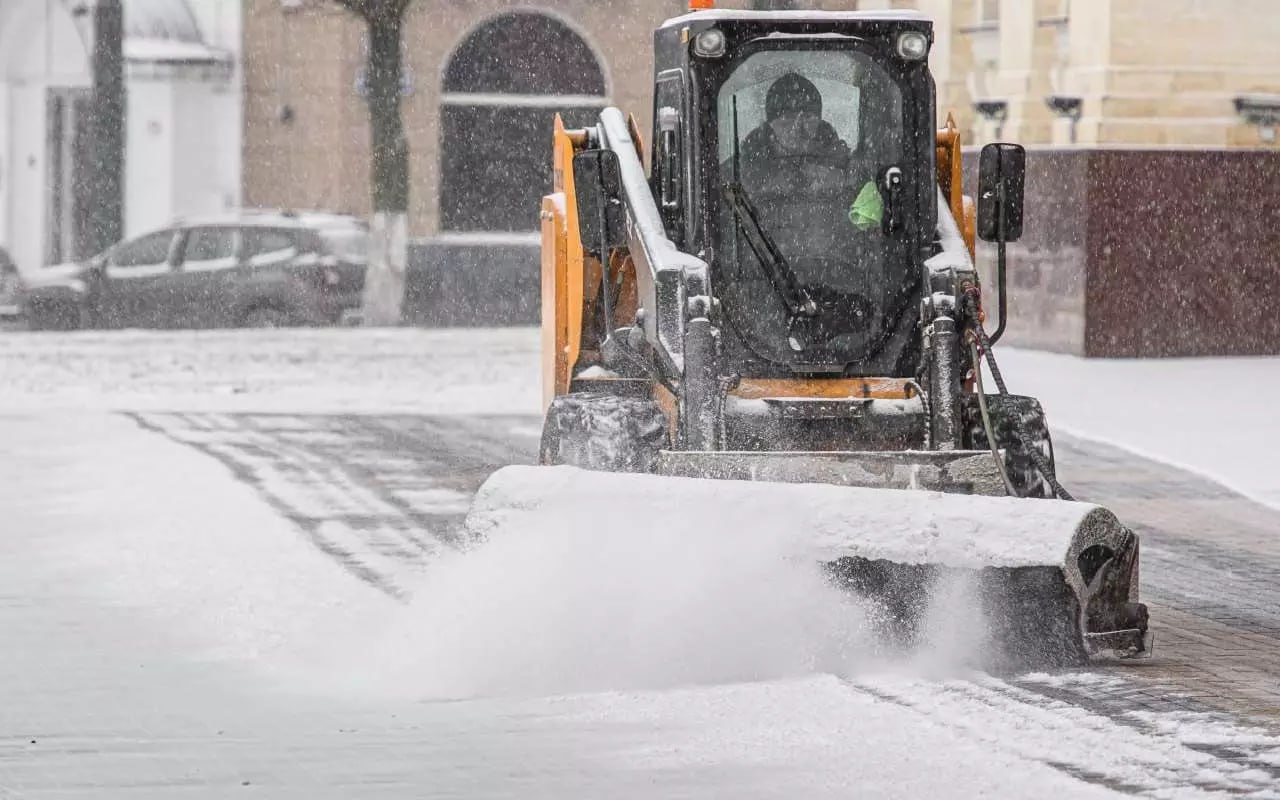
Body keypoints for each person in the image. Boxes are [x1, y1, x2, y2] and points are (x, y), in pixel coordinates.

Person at [736, 72, 883, 232]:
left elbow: (869, 221)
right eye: (788, 117)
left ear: (819, 120)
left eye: (807, 116)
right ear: (771, 124)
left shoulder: (847, 166)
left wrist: (842, 182)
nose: (797, 127)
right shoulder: (740, 171)